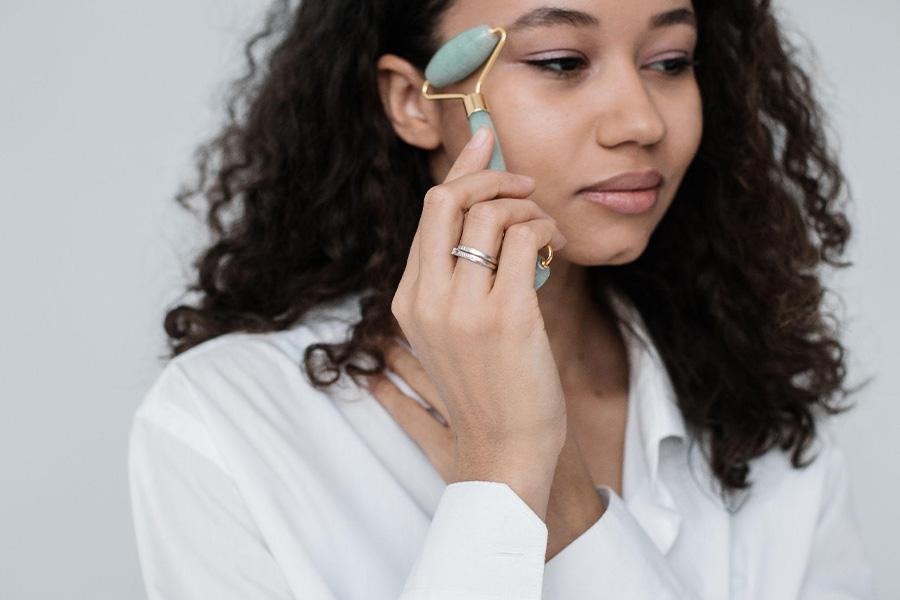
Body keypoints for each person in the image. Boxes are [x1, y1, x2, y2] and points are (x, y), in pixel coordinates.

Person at [128, 0, 878, 598]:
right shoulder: (224, 421)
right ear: (414, 103)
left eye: (671, 61)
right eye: (560, 61)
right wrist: (503, 461)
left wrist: (564, 497)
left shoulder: (762, 413)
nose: (642, 122)